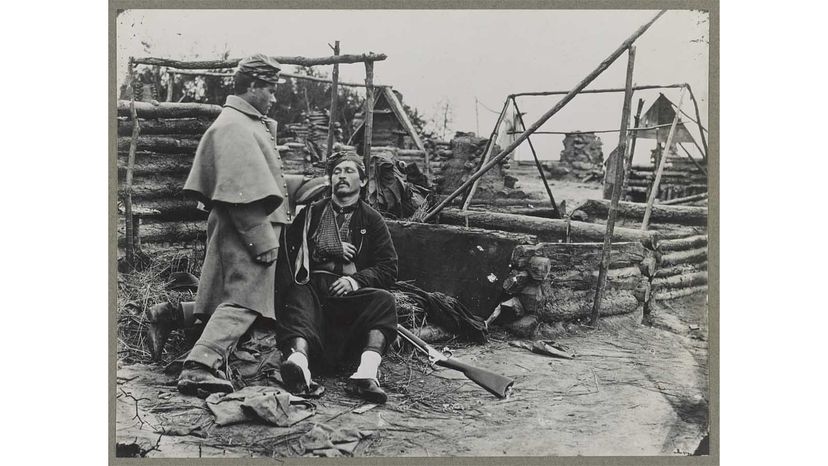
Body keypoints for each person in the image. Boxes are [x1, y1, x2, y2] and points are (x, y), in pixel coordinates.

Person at [158, 53, 320, 396]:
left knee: (231, 296)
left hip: (244, 226)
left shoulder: (243, 123)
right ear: (253, 86)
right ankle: (200, 365)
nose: (274, 98)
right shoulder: (234, 126)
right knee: (244, 300)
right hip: (247, 228)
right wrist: (262, 239)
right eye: (271, 89)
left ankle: (176, 326)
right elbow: (239, 193)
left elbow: (255, 179)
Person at [276, 154, 399, 404]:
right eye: (337, 171)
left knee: (384, 301)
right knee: (297, 292)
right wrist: (326, 247)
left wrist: (356, 281)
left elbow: (389, 267)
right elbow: (288, 251)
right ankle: (299, 364)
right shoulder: (312, 212)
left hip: (347, 298)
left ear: (363, 182)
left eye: (349, 171)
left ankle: (366, 374)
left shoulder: (372, 219)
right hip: (312, 290)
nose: (341, 175)